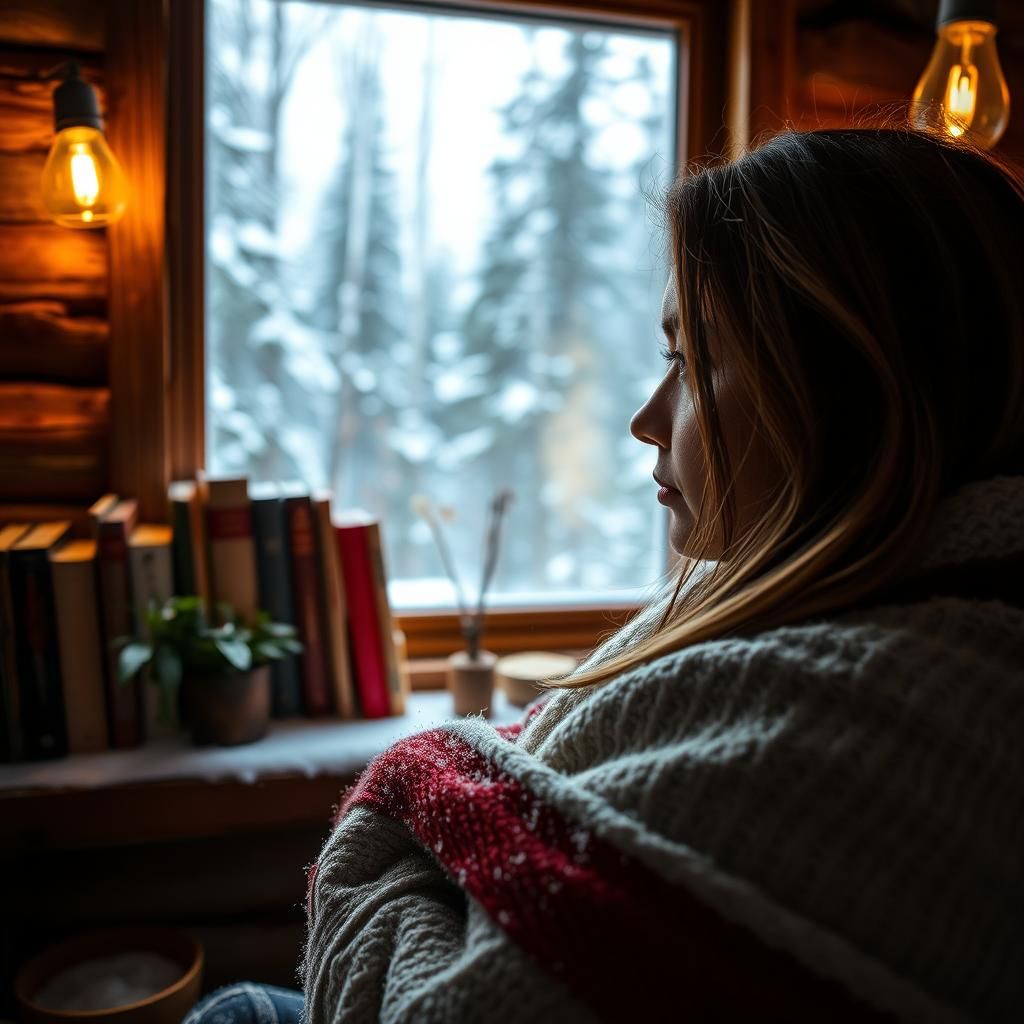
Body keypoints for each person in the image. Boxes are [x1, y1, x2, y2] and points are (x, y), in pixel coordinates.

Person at [188, 126, 1024, 1024]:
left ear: (844, 390)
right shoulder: (872, 617)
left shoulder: (855, 731)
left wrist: (418, 783)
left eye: (690, 361)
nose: (645, 419)